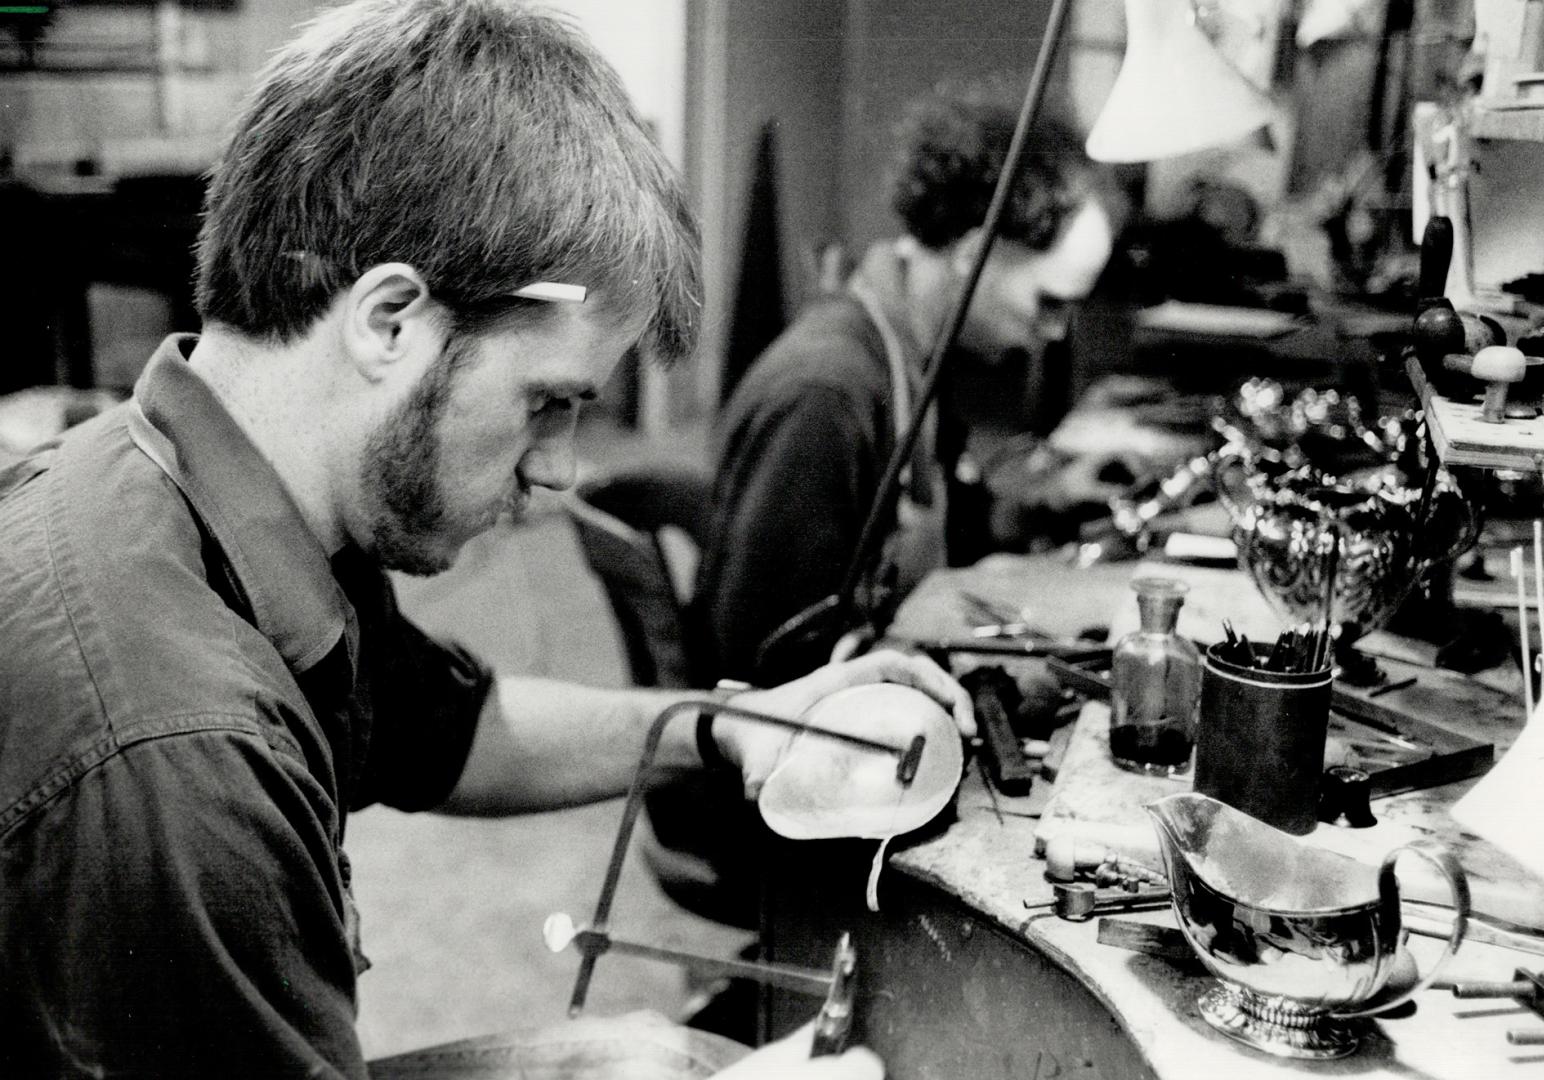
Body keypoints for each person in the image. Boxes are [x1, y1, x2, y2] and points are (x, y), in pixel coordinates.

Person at [0, 3, 973, 1078]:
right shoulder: (182, 764)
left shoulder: (201, 487)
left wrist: (729, 724)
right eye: (546, 402)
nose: (559, 469)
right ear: (389, 323)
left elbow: (449, 728)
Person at [691, 85, 1125, 688]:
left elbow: (936, 517)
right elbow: (762, 658)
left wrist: (1036, 502)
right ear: (972, 257)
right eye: (1048, 302)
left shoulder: (915, 352)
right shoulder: (827, 398)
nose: (1054, 333)